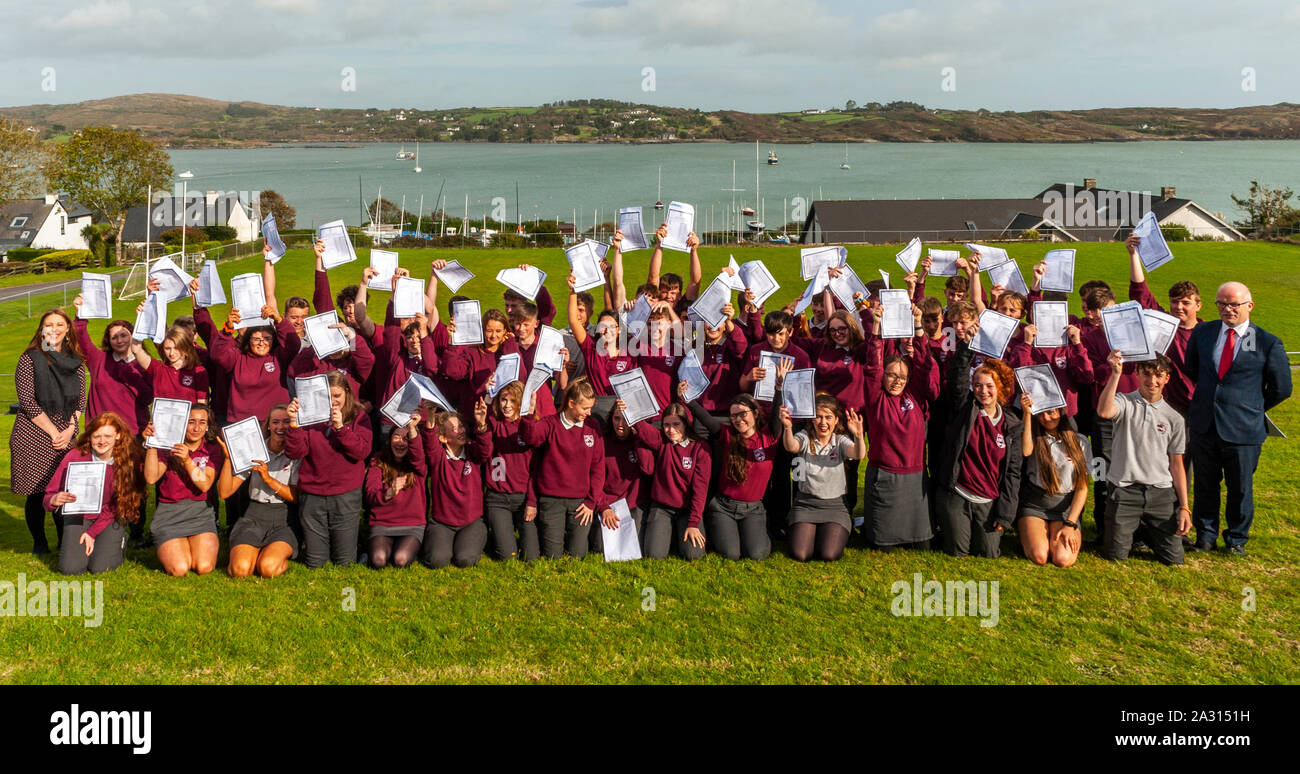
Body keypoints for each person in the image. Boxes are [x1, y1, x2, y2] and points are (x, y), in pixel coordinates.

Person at [1182, 282, 1292, 555]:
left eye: (1234, 304)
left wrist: (1251, 407)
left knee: (1240, 487)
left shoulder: (1267, 342)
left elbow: (1282, 388)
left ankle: (1236, 540)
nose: (1227, 309)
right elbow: (1193, 369)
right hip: (1205, 425)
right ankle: (1205, 537)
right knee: (1205, 484)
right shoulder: (1203, 333)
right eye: (1221, 304)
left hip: (1243, 430)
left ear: (1249, 306)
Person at [1097, 352, 1192, 565]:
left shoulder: (1174, 418)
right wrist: (1115, 374)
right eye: (1147, 374)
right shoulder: (1124, 401)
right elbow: (1104, 411)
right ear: (1138, 374)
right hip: (1124, 491)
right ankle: (1134, 528)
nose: (1152, 381)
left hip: (1161, 495)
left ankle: (1147, 531)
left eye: (1159, 375)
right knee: (1115, 556)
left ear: (1167, 378)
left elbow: (1177, 466)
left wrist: (1184, 507)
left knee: (1174, 560)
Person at [934, 331, 1023, 558]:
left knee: (988, 553)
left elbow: (1013, 473)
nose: (983, 391)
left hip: (988, 499)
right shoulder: (966, 408)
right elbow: (957, 378)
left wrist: (1005, 515)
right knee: (958, 551)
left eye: (989, 386)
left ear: (999, 388)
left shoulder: (1011, 424)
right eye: (978, 385)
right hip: (958, 492)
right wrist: (966, 346)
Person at [862, 304, 939, 550]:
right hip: (885, 476)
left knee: (923, 546)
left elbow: (925, 364)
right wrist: (875, 327)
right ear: (883, 376)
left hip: (914, 478)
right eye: (892, 375)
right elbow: (872, 366)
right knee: (883, 545)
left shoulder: (914, 395)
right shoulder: (876, 398)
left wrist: (918, 326)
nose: (897, 381)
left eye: (902, 377)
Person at [11, 309, 86, 554]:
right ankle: (40, 543)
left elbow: (80, 399)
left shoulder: (76, 360)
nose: (53, 329)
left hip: (67, 431)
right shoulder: (29, 358)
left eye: (59, 324)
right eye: (48, 325)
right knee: (36, 492)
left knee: (63, 490)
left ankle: (64, 541)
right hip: (33, 432)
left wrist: (72, 427)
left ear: (67, 329)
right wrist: (55, 432)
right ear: (41, 329)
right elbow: (28, 401)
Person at [285, 370, 373, 568]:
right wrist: (293, 423)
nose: (332, 401)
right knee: (315, 563)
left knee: (344, 562)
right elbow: (295, 452)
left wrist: (341, 428)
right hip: (313, 493)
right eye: (327, 396)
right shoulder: (309, 417)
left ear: (347, 394)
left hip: (345, 494)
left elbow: (361, 452)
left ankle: (358, 547)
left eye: (337, 396)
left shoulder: (359, 417)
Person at [684, 388, 782, 562]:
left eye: (742, 414)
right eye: (734, 416)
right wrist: (687, 399)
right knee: (731, 554)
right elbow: (705, 418)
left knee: (756, 554)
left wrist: (779, 389)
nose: (738, 419)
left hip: (753, 509)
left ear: (755, 413)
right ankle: (718, 527)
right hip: (724, 507)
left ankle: (758, 531)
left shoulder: (768, 437)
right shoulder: (727, 435)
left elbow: (776, 416)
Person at [45, 412, 144, 575]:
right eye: (96, 436)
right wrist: (53, 499)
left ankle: (119, 540)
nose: (101, 441)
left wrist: (91, 533)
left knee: (100, 568)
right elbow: (50, 492)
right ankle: (82, 547)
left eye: (107, 436)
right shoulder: (75, 456)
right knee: (70, 569)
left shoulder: (127, 461)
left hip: (111, 515)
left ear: (118, 436)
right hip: (79, 515)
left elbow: (119, 505)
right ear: (89, 436)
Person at [519, 379, 606, 559]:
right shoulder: (550, 424)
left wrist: (591, 502)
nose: (588, 413)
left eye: (590, 408)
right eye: (584, 408)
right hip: (552, 501)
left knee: (577, 555)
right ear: (571, 403)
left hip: (581, 503)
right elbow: (530, 438)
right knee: (553, 557)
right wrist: (528, 415)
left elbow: (598, 469)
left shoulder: (593, 428)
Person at [216, 404, 300, 577]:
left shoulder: (297, 452)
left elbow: (295, 497)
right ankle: (255, 551)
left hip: (284, 517)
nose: (280, 427)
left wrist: (268, 478)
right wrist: (227, 459)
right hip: (254, 515)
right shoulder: (255, 450)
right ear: (268, 425)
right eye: (275, 422)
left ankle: (270, 554)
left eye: (286, 422)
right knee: (240, 570)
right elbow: (224, 492)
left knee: (268, 568)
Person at [779, 395, 865, 563]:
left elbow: (858, 454)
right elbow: (791, 446)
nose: (823, 422)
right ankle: (811, 531)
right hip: (806, 504)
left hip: (835, 506)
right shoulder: (804, 436)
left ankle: (826, 531)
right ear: (812, 420)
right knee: (801, 554)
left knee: (829, 554)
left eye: (828, 417)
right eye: (818, 417)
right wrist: (788, 428)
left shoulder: (839, 440)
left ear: (836, 420)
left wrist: (859, 436)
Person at [626, 401, 712, 560]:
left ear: (686, 423)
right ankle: (666, 534)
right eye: (666, 425)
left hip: (687, 510)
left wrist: (693, 523)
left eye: (676, 424)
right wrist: (628, 407)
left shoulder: (700, 447)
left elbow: (700, 490)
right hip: (662, 508)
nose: (671, 430)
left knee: (694, 555)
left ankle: (678, 533)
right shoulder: (661, 441)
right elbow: (641, 427)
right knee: (654, 555)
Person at [143, 404, 223, 576]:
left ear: (208, 426)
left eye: (202, 422)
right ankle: (175, 543)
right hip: (169, 513)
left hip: (200, 513)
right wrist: (152, 445)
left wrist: (187, 460)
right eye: (191, 422)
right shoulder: (169, 446)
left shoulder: (212, 449)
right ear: (182, 423)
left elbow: (205, 485)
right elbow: (151, 478)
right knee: (180, 568)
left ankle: (191, 542)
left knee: (204, 566)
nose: (196, 428)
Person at [1016, 393, 1087, 567]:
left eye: (1051, 412)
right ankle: (1033, 531)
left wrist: (1070, 524)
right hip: (1035, 505)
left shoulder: (1080, 442)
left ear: (1061, 412)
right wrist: (1026, 414)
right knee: (1039, 556)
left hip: (1065, 510)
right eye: (1041, 414)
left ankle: (1053, 531)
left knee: (1062, 559)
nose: (1046, 418)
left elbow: (1082, 488)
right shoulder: (1034, 437)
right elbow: (1025, 451)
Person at [476, 381, 538, 561]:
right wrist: (488, 392)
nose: (507, 405)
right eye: (503, 399)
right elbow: (484, 449)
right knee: (508, 556)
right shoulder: (493, 422)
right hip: (498, 499)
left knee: (531, 557)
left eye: (513, 400)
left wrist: (532, 502)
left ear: (521, 401)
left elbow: (536, 470)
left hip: (523, 498)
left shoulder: (528, 425)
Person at [422, 404, 489, 568]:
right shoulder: (439, 458)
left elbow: (485, 450)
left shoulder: (473, 453)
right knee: (438, 560)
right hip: (442, 523)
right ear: (443, 438)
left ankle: (471, 540)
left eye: (461, 426)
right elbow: (430, 443)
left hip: (471, 522)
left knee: (464, 559)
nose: (461, 430)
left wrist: (481, 424)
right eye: (454, 428)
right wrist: (430, 418)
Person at [364, 413, 426, 569]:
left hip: (411, 525)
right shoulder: (378, 462)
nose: (401, 442)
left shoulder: (418, 466)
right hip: (382, 524)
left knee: (401, 559)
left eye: (406, 439)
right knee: (378, 560)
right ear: (389, 441)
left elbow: (417, 453)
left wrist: (412, 429)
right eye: (396, 437)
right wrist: (387, 494)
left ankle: (410, 548)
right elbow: (370, 495)